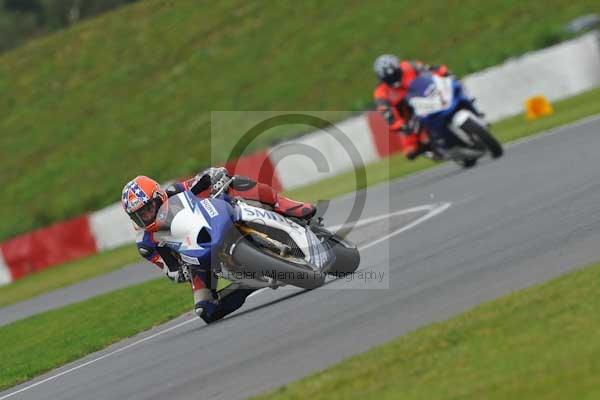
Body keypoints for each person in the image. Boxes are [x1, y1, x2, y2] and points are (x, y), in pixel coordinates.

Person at [121, 168, 316, 323]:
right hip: (196, 259)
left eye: (149, 208)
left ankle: (287, 205)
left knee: (236, 182)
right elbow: (168, 269)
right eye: (140, 214)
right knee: (205, 310)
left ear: (158, 196)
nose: (146, 215)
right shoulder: (146, 242)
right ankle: (248, 283)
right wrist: (180, 272)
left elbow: (201, 181)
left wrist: (214, 176)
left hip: (214, 220)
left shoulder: (174, 192)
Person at [373, 54, 450, 160]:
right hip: (409, 114)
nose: (394, 79)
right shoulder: (380, 92)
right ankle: (429, 147)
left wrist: (442, 71)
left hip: (428, 95)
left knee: (451, 87)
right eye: (389, 78)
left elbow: (428, 69)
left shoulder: (409, 66)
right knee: (410, 151)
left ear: (398, 68)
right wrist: (398, 125)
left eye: (395, 74)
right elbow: (385, 112)